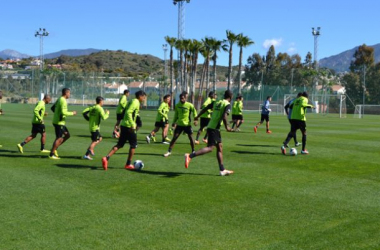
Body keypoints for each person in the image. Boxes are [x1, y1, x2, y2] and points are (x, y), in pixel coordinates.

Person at [184, 90, 234, 176]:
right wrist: (227, 127)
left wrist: (197, 116)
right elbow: (225, 116)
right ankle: (190, 156)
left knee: (219, 147)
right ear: (231, 96)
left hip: (212, 127)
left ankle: (222, 170)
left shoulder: (217, 102)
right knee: (210, 148)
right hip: (214, 128)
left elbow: (206, 108)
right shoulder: (227, 104)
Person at [102, 90, 146, 171]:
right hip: (129, 127)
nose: (144, 98)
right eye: (144, 97)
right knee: (133, 145)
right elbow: (129, 112)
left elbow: (126, 111)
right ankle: (128, 164)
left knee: (120, 144)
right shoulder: (135, 102)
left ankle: (106, 158)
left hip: (124, 125)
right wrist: (133, 124)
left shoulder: (131, 101)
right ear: (140, 96)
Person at [163, 93, 197, 157]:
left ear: (185, 98)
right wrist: (174, 122)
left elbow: (194, 112)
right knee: (174, 138)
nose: (182, 99)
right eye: (181, 98)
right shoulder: (177, 105)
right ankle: (169, 151)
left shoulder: (189, 105)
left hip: (187, 125)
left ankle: (193, 151)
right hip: (179, 125)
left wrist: (195, 119)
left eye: (183, 98)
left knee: (191, 138)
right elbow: (176, 115)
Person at [49, 88, 77, 159]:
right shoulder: (63, 101)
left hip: (59, 122)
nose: (69, 95)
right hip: (59, 122)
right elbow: (63, 112)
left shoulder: (59, 99)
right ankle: (51, 154)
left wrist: (57, 114)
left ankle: (54, 149)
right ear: (66, 93)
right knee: (59, 138)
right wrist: (72, 113)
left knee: (67, 135)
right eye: (69, 93)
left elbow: (52, 108)